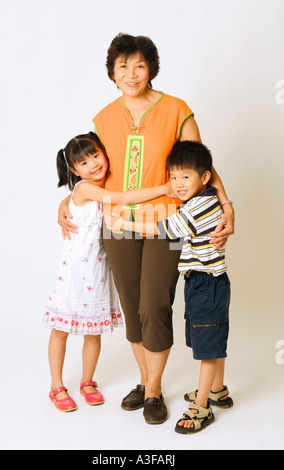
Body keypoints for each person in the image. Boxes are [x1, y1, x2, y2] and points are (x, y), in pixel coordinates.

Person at [58, 34, 235, 424]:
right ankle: (144, 380)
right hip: (117, 225)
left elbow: (200, 162)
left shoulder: (176, 110)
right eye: (123, 67)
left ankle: (154, 390)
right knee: (133, 309)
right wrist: (64, 203)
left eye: (139, 65)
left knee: (155, 305)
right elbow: (88, 170)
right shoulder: (104, 117)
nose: (131, 73)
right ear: (112, 74)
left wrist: (226, 203)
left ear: (151, 68)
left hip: (165, 224)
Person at [106, 140, 233, 433]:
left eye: (185, 177)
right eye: (173, 177)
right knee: (208, 336)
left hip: (207, 282)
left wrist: (125, 225)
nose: (177, 184)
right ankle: (218, 391)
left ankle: (202, 405)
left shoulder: (200, 206)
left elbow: (166, 229)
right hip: (200, 279)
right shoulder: (202, 197)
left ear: (205, 177)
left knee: (207, 345)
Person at [44, 132, 173, 412]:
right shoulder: (85, 189)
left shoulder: (104, 184)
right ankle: (56, 386)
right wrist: (164, 189)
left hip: (98, 273)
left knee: (93, 331)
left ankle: (87, 381)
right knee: (62, 328)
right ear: (74, 171)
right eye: (83, 163)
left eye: (95, 156)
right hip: (75, 271)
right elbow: (125, 197)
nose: (92, 164)